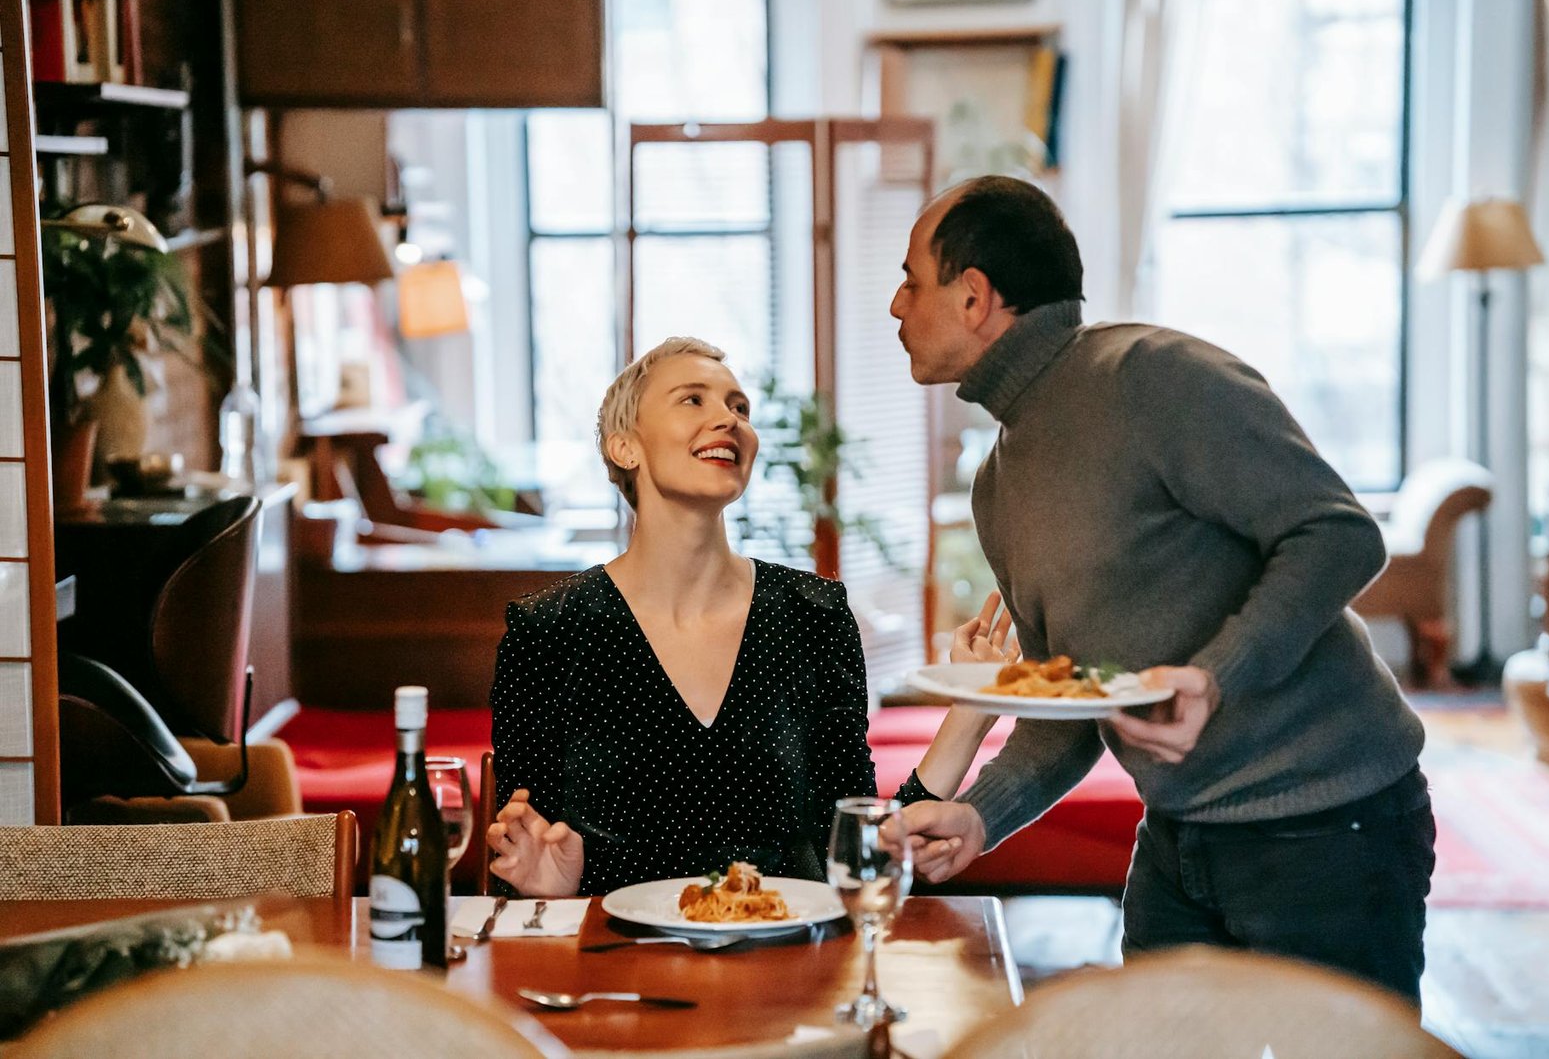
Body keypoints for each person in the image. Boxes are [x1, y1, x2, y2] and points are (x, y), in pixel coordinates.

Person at [886, 175, 1436, 1004]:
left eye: (910, 280)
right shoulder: (998, 485)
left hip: (1330, 827)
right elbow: (1072, 710)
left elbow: (1338, 534)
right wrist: (980, 814)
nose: (895, 306)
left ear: (973, 297)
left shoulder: (1154, 375)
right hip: (1176, 841)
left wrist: (1216, 675)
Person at [486, 337, 993, 897]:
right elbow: (527, 852)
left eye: (739, 408)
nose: (728, 420)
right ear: (625, 446)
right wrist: (547, 888)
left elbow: (858, 854)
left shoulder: (814, 616)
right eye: (692, 400)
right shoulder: (549, 631)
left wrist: (972, 711)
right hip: (617, 967)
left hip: (790, 966)